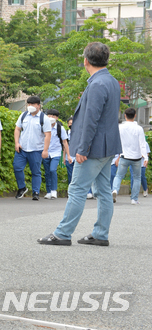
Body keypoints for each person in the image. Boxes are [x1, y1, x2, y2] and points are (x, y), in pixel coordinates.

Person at [38, 42, 122, 246]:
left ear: (85, 60)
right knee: (103, 192)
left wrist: (82, 149)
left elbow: (90, 120)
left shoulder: (96, 84)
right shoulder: (111, 81)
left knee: (76, 189)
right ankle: (100, 234)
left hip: (92, 149)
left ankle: (62, 233)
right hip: (107, 146)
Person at [13, 96, 51, 200]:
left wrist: (45, 150)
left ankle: (35, 192)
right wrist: (17, 143)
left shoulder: (44, 118)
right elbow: (17, 129)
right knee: (17, 167)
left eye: (33, 104)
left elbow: (48, 135)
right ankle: (22, 187)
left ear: (38, 106)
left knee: (36, 171)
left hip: (36, 149)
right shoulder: (23, 115)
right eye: (29, 104)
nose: (30, 106)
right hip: (22, 148)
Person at [111, 108, 147, 205]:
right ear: (135, 115)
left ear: (125, 116)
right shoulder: (139, 128)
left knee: (118, 176)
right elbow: (142, 144)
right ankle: (134, 199)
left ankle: (114, 190)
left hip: (124, 156)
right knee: (136, 178)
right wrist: (146, 158)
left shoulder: (120, 127)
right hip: (137, 158)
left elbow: (115, 141)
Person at [43, 109, 71, 200]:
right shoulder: (43, 126)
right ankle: (48, 191)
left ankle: (54, 190)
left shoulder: (60, 128)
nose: (51, 117)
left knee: (52, 170)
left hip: (56, 153)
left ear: (57, 118)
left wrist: (68, 155)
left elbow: (65, 142)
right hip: (46, 151)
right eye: (49, 115)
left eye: (53, 116)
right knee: (47, 172)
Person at [66, 116, 95, 199]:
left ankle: (88, 192)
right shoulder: (67, 132)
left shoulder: (82, 132)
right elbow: (66, 145)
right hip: (71, 156)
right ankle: (72, 193)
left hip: (81, 156)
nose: (71, 125)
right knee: (72, 176)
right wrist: (67, 156)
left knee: (85, 175)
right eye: (70, 124)